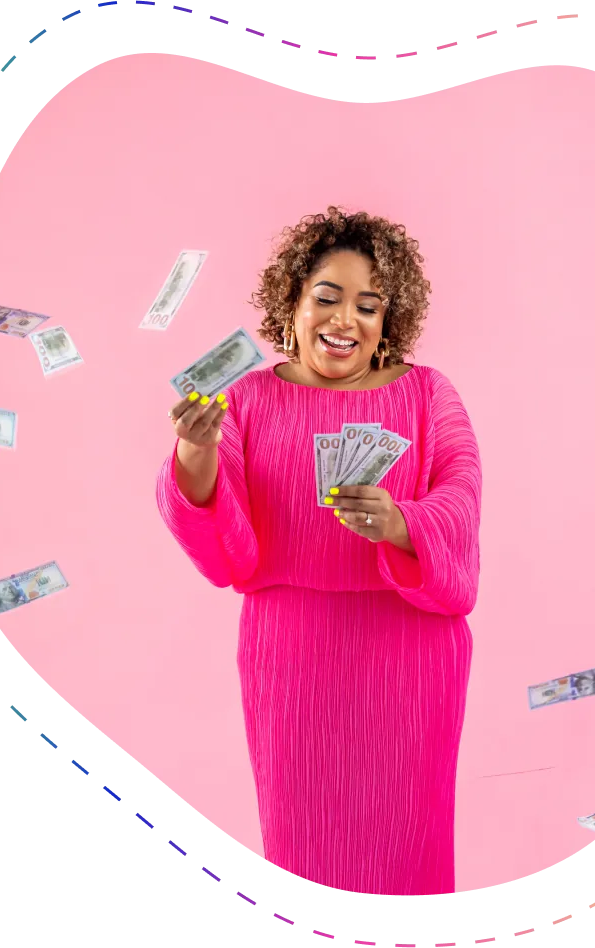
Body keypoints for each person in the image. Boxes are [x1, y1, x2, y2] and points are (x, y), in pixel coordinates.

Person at [156, 206, 483, 896]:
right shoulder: (243, 397)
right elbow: (224, 549)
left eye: (369, 305)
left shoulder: (428, 394)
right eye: (326, 297)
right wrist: (194, 448)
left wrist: (401, 524)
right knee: (303, 846)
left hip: (410, 656)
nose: (345, 320)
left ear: (389, 322)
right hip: (292, 657)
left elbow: (462, 494)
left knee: (408, 847)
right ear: (293, 302)